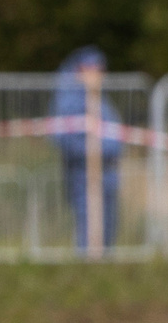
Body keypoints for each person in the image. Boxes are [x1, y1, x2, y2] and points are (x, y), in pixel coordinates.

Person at [51, 46, 124, 255]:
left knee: (108, 227)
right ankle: (87, 269)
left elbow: (113, 132)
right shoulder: (68, 97)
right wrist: (93, 151)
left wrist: (108, 149)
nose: (99, 74)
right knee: (89, 226)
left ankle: (104, 267)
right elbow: (63, 136)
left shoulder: (99, 98)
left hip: (108, 172)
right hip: (83, 174)